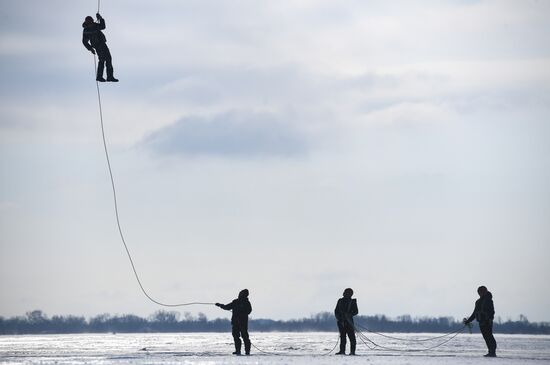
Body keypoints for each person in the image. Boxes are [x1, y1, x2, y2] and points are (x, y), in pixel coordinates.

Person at [82, 13, 119, 82]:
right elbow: (84, 41)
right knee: (103, 60)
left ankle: (108, 77)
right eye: (90, 22)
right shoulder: (87, 30)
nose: (91, 23)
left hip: (102, 44)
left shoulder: (92, 27)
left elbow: (103, 26)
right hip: (98, 46)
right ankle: (101, 77)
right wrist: (91, 49)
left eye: (92, 21)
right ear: (87, 22)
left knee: (108, 59)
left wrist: (101, 18)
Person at [463, 285, 497, 357]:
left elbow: (492, 312)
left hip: (487, 322)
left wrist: (489, 319)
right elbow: (474, 313)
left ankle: (492, 352)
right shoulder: (478, 302)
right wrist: (469, 321)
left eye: (481, 292)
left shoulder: (489, 300)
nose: (480, 293)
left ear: (485, 291)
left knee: (489, 336)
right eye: (479, 292)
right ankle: (490, 351)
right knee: (486, 337)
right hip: (481, 322)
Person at [216, 289, 252, 355]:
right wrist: (220, 305)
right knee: (235, 336)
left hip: (243, 323)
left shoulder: (247, 302)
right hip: (235, 322)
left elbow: (249, 311)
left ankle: (247, 351)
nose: (240, 293)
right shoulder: (235, 301)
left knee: (245, 337)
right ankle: (237, 350)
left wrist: (241, 309)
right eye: (240, 292)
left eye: (242, 293)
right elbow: (227, 307)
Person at [334, 288, 358, 355]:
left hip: (349, 322)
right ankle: (342, 351)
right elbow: (336, 311)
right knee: (343, 337)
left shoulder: (353, 301)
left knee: (352, 337)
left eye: (349, 293)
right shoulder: (340, 301)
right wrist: (339, 319)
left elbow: (356, 311)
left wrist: (349, 314)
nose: (347, 294)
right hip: (341, 322)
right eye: (346, 292)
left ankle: (352, 352)